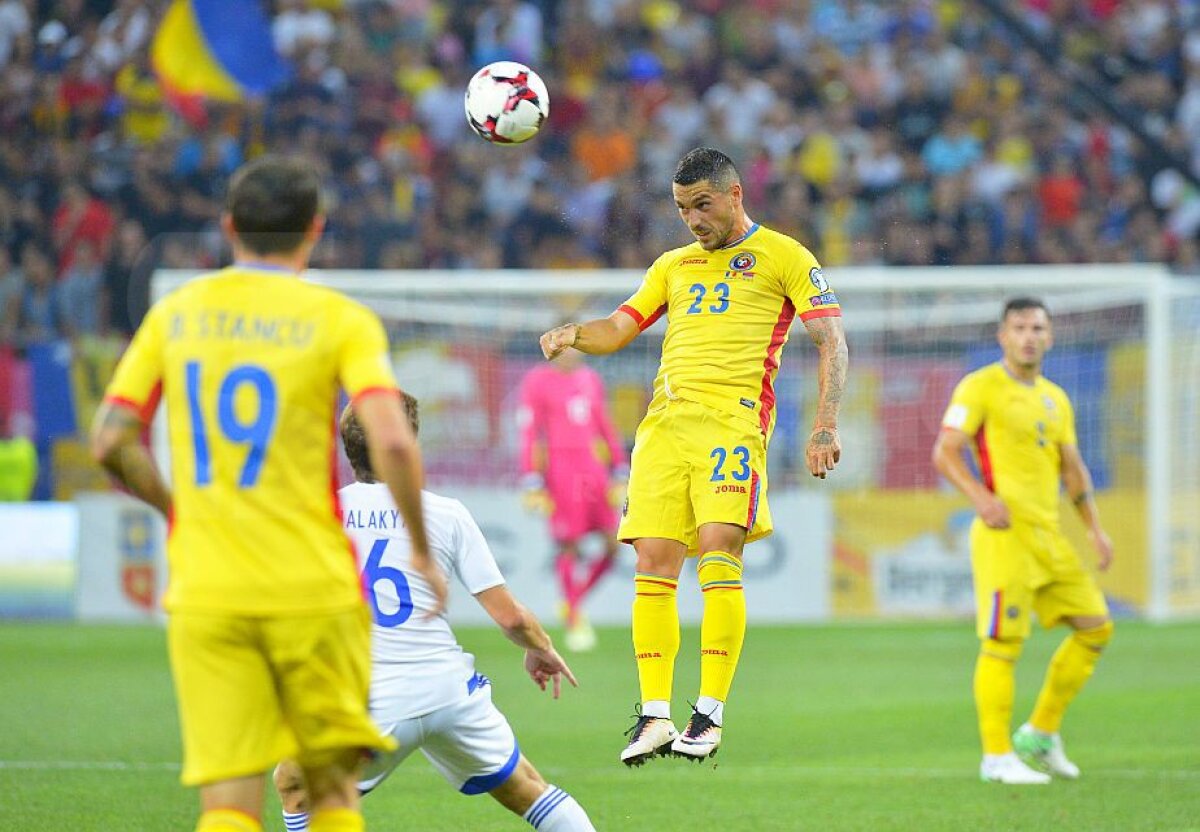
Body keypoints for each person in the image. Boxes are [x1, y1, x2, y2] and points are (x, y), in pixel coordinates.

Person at [90, 155, 447, 832]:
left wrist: (176, 510)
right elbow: (394, 441)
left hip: (207, 587)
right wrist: (423, 552)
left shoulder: (177, 313)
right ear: (314, 231)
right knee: (332, 793)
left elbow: (110, 437)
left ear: (228, 227)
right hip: (310, 587)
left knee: (228, 805)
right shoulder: (339, 319)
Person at [538, 147, 848, 765]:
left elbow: (831, 339)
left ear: (735, 195)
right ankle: (655, 716)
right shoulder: (672, 266)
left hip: (732, 424)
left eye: (701, 205)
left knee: (717, 551)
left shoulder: (785, 256)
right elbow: (620, 327)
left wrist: (823, 426)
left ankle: (708, 714)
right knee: (652, 563)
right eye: (682, 208)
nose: (692, 220)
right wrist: (575, 331)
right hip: (662, 429)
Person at [273, 393, 595, 832]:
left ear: (347, 449)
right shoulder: (447, 514)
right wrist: (541, 648)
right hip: (449, 691)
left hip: (371, 695)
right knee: (527, 787)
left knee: (296, 788)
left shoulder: (323, 513)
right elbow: (511, 617)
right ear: (408, 445)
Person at [932, 297, 1114, 785]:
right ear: (1002, 336)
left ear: (1050, 337)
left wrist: (1095, 529)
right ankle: (996, 757)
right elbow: (945, 452)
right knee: (1002, 643)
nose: (1029, 336)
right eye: (1020, 328)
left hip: (1048, 535)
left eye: (1038, 328)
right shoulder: (981, 386)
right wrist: (980, 499)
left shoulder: (1056, 398)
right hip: (1003, 535)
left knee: (1096, 627)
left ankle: (1040, 733)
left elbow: (1072, 470)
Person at [516, 342, 626, 651]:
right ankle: (575, 617)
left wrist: (619, 464)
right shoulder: (537, 381)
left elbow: (604, 424)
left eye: (575, 348)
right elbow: (530, 431)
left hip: (593, 467)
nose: (571, 355)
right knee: (570, 545)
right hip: (560, 468)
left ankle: (573, 602)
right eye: (564, 350)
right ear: (553, 352)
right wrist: (531, 476)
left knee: (613, 544)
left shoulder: (590, 379)